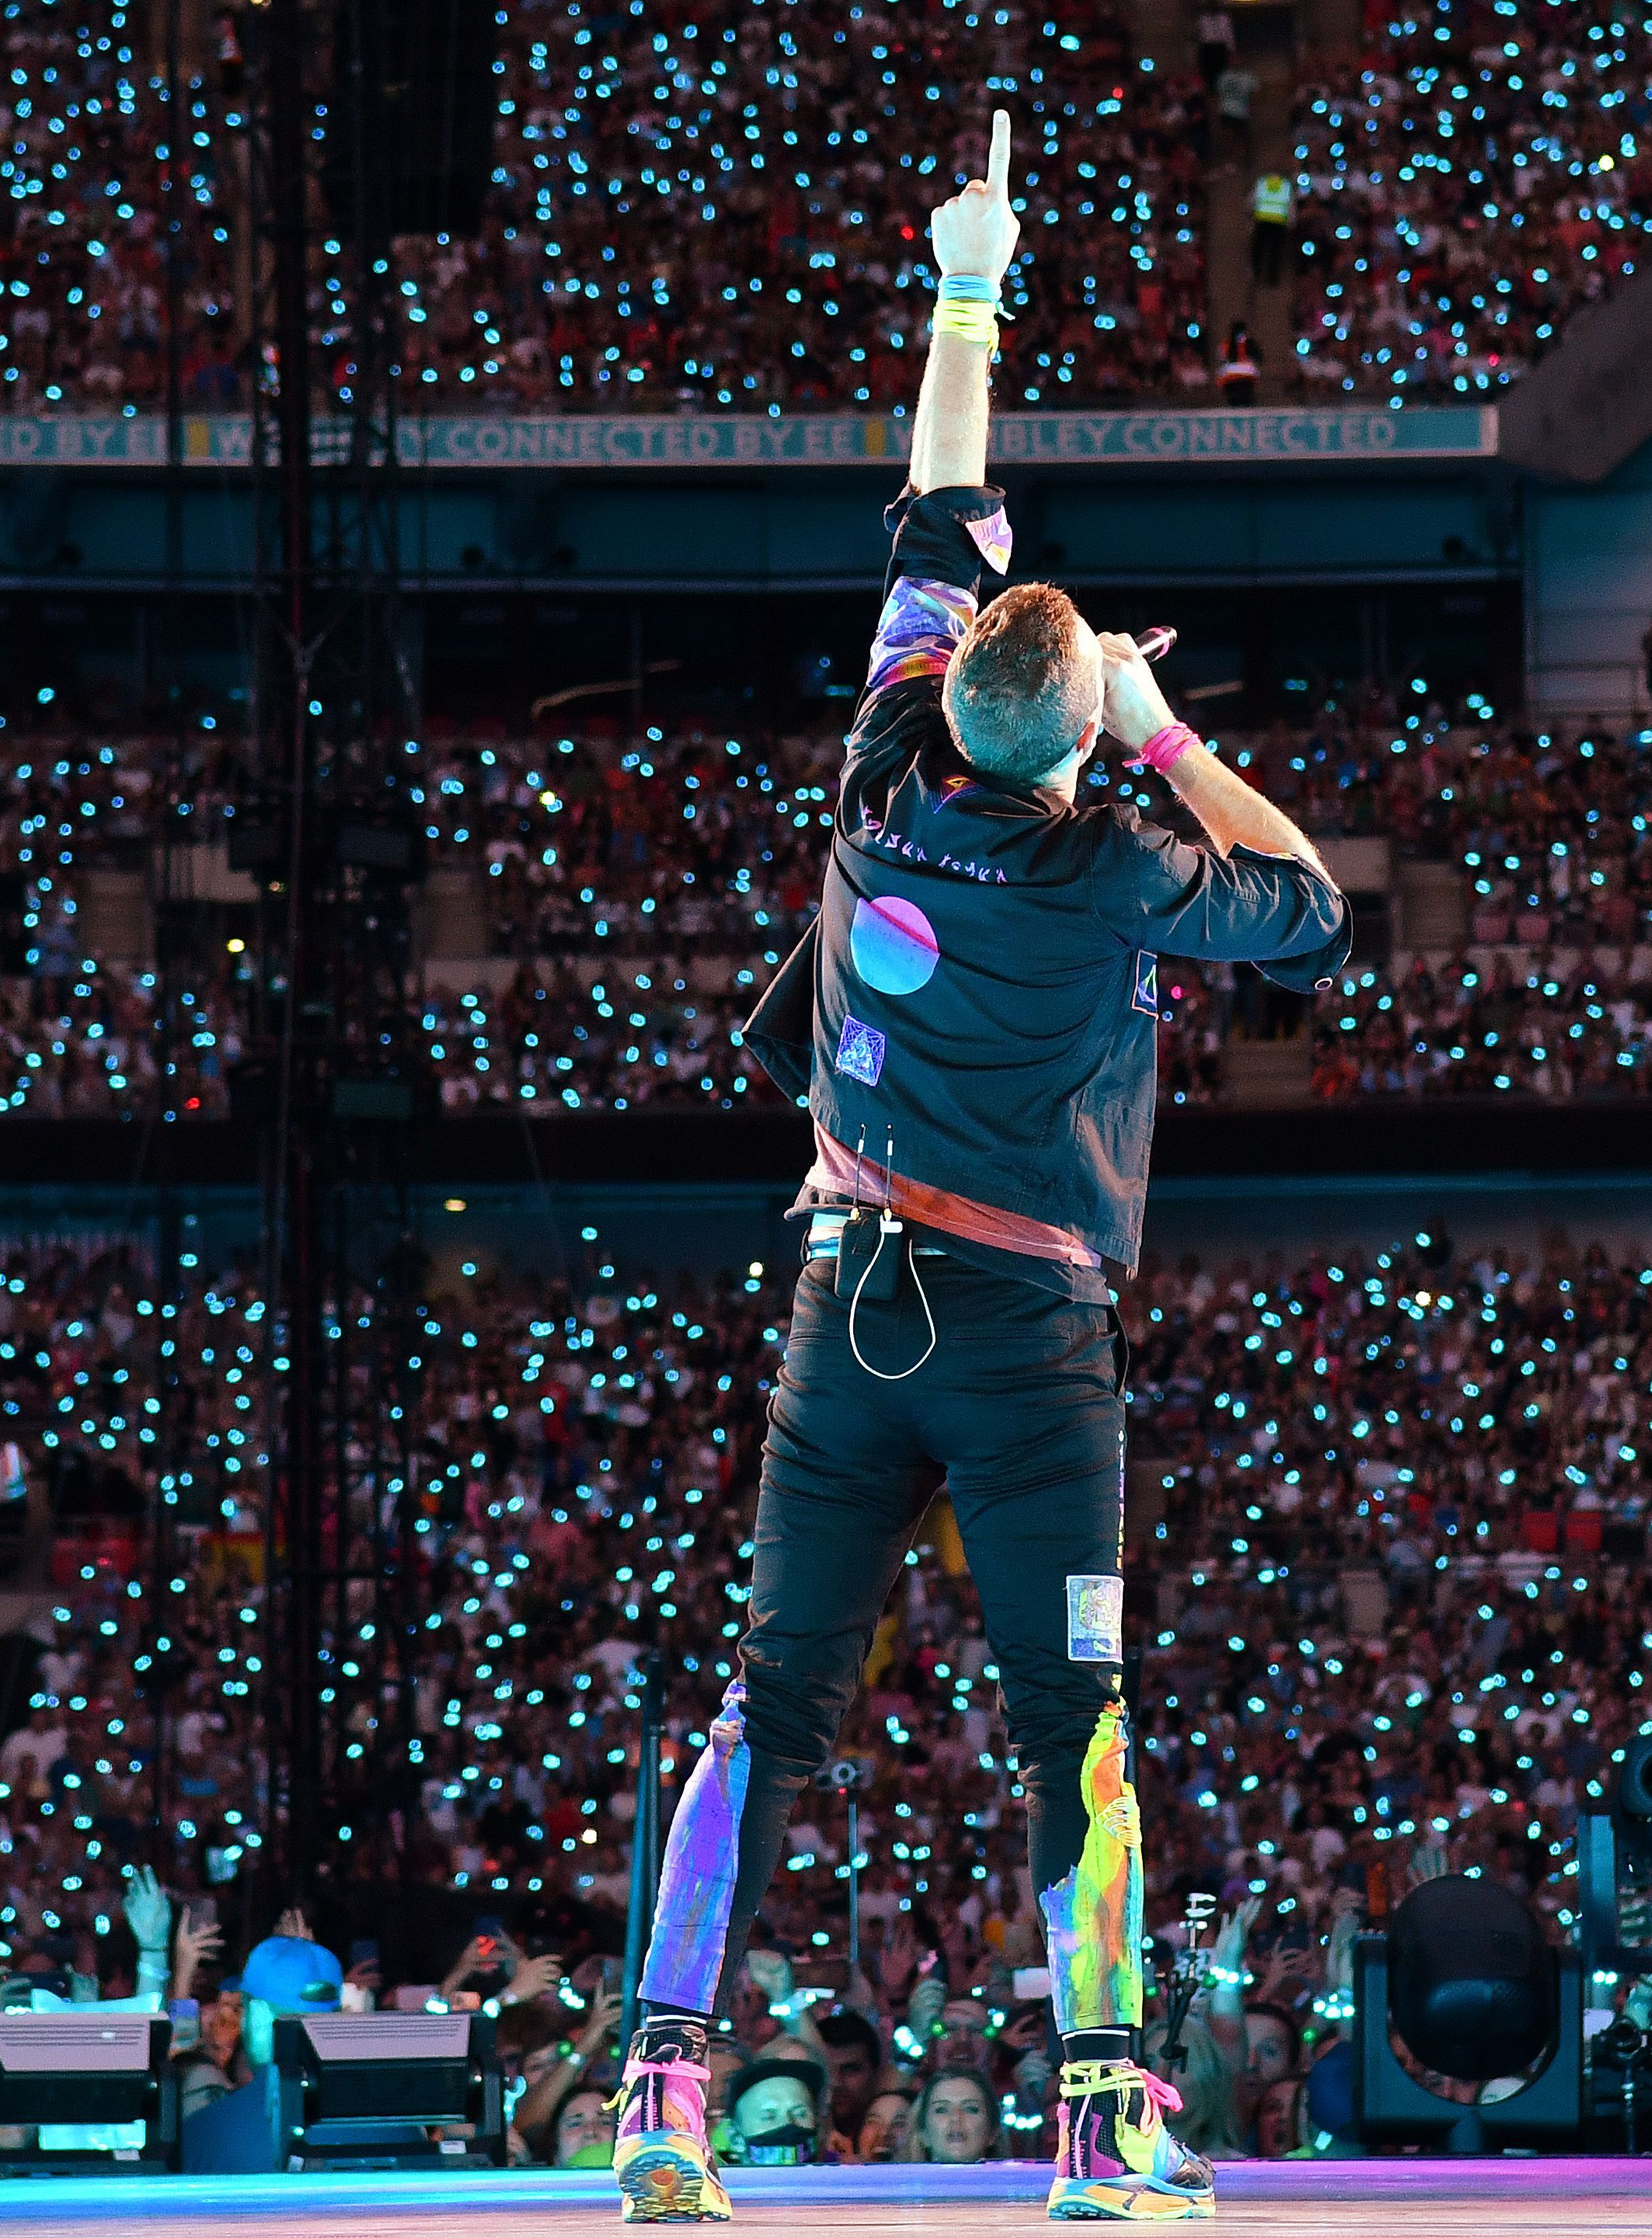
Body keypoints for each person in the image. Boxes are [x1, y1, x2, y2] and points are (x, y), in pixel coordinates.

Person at [608, 103, 1346, 2230]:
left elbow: (944, 487)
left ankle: (658, 2097)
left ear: (944, 702)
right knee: (1072, 1718)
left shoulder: (874, 764)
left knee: (766, 1707)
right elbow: (1303, 907)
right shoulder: (1108, 858)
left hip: (846, 1308)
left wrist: (964, 281)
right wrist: (1154, 721)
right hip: (1024, 1338)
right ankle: (1099, 2126)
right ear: (1077, 738)